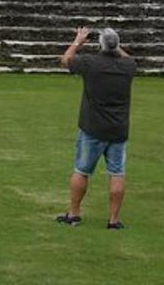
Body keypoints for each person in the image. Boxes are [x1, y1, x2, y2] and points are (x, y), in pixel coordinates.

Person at [56, 26, 137, 230]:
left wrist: (78, 41)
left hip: (92, 127)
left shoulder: (91, 63)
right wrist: (115, 45)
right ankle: (113, 220)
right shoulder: (127, 66)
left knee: (81, 170)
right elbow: (128, 58)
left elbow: (65, 60)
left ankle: (74, 214)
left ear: (100, 45)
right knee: (117, 173)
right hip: (118, 128)